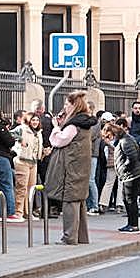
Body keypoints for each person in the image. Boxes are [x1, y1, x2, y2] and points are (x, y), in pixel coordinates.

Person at [46, 91, 98, 246]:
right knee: (79, 201)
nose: (65, 107)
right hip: (81, 166)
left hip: (71, 167)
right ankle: (81, 237)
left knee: (70, 201)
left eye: (67, 104)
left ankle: (69, 237)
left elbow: (59, 141)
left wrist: (56, 128)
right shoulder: (85, 123)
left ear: (74, 106)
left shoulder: (73, 125)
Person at [103, 120, 140, 233]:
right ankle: (131, 223)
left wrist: (124, 169)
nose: (109, 138)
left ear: (113, 133)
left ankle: (134, 225)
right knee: (126, 199)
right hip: (131, 174)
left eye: (109, 136)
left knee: (130, 200)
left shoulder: (125, 141)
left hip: (133, 174)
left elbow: (132, 158)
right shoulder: (123, 139)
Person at [13, 110, 42, 220]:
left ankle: (27, 212)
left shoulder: (38, 132)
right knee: (21, 187)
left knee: (31, 188)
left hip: (33, 162)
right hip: (22, 161)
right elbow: (10, 134)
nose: (35, 122)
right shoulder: (22, 129)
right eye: (33, 120)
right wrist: (20, 141)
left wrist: (42, 152)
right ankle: (18, 212)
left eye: (37, 120)